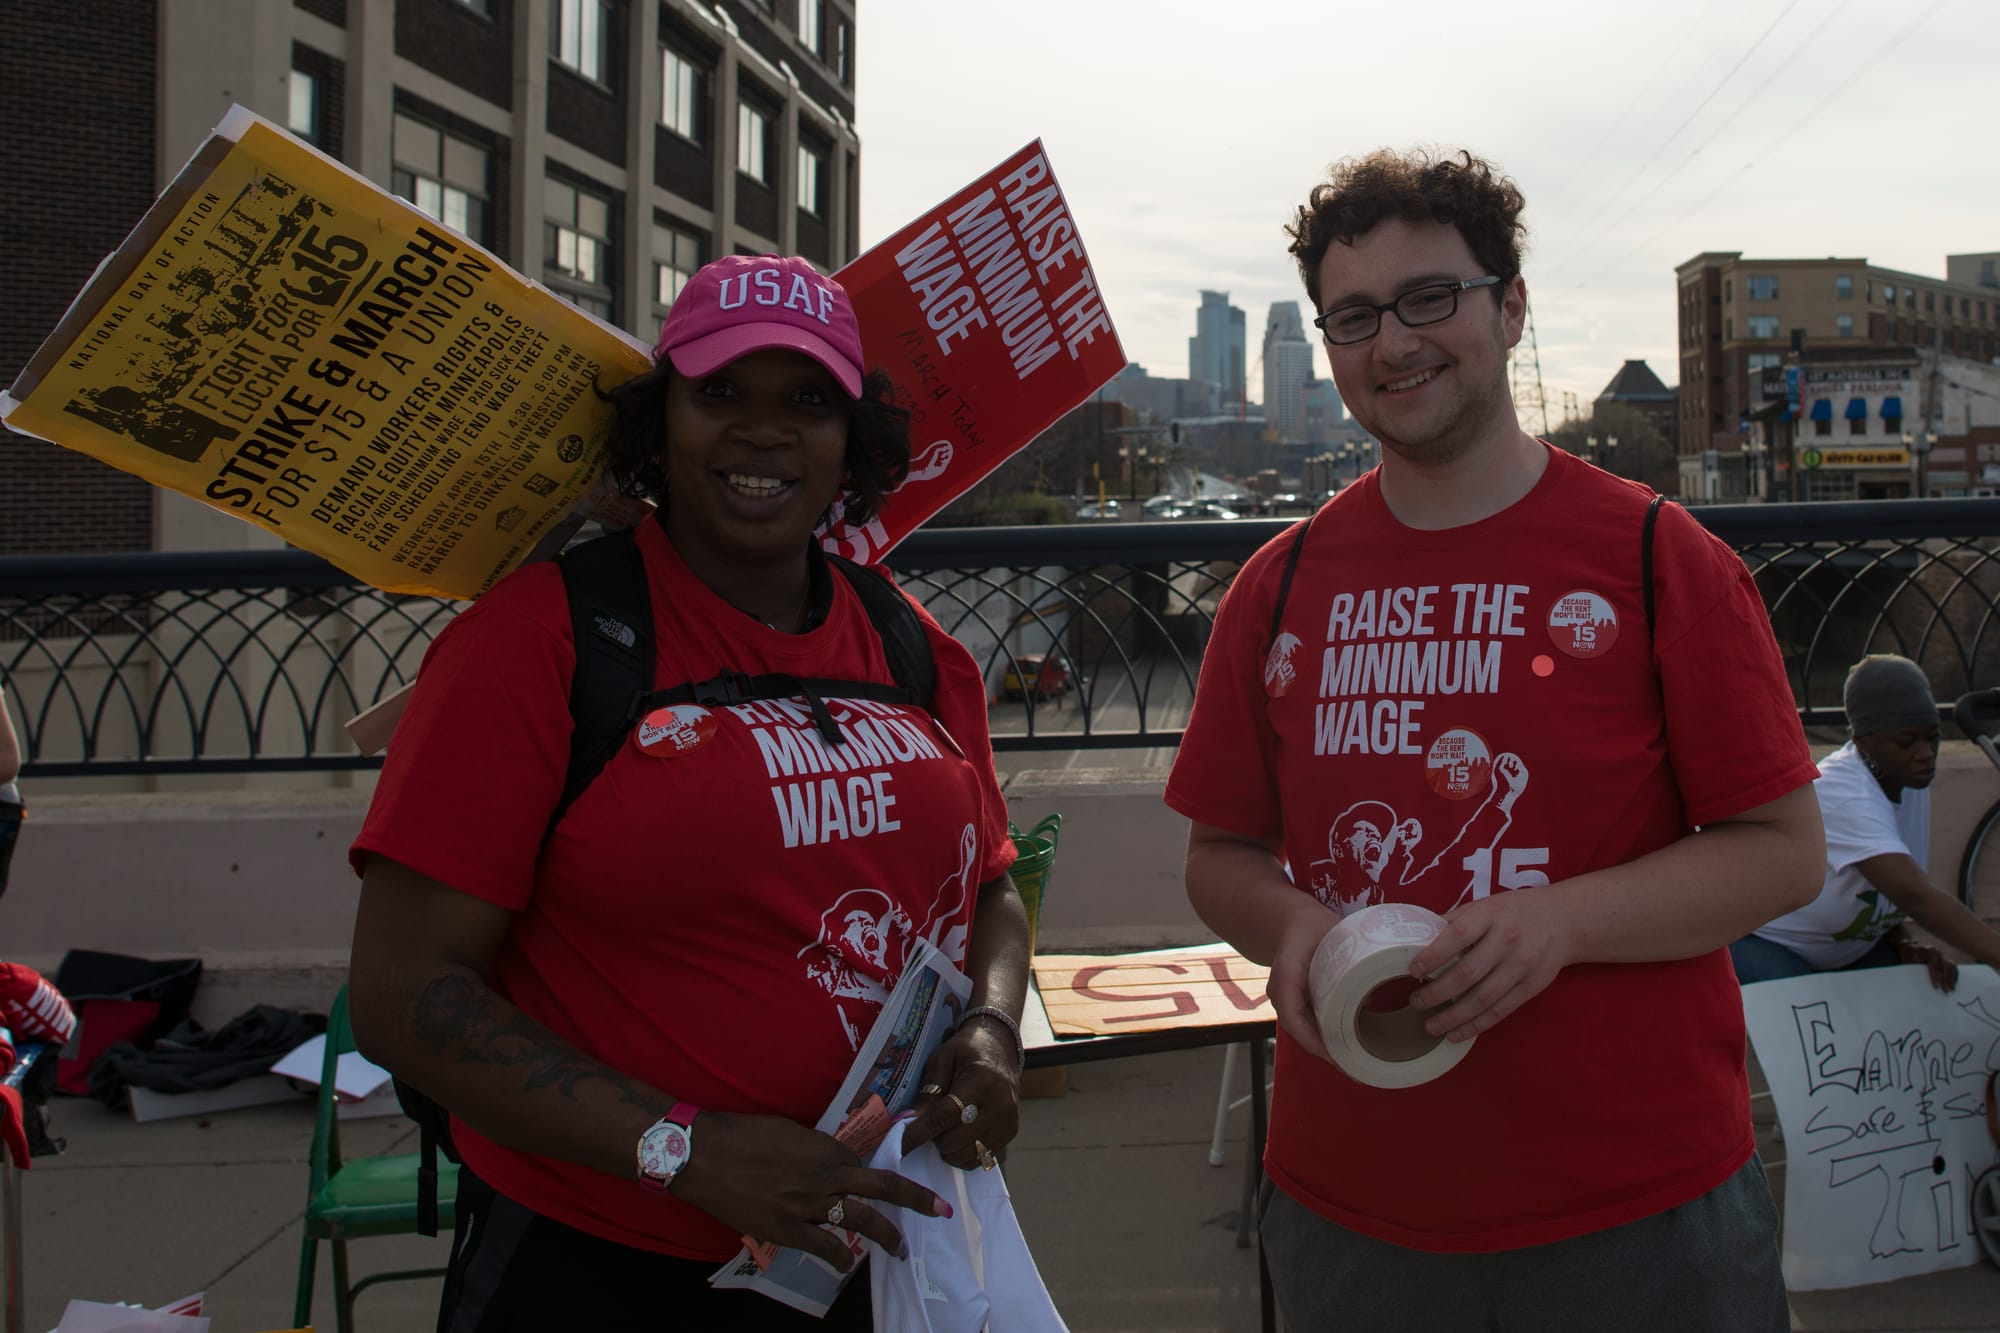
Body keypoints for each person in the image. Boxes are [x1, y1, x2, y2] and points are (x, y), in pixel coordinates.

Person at [1164, 148, 1826, 1330]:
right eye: (1355, 315)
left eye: (1432, 298)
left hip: (1635, 1205)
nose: (1394, 342)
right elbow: (1219, 854)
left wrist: (1560, 923)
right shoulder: (1277, 584)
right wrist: (1298, 928)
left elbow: (1779, 849)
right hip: (1349, 1203)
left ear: (1508, 307)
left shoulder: (1658, 557)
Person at [347, 253, 1029, 1331]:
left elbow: (990, 888)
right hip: (598, 1263)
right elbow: (402, 990)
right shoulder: (537, 642)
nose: (762, 431)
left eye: (807, 401)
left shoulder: (912, 645)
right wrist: (680, 1148)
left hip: (869, 1250)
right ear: (657, 423)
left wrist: (992, 1024)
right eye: (718, 393)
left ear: (850, 443)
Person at [1732, 653, 2000, 992]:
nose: (1925, 753)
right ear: (1861, 741)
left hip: (1847, 951)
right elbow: (1915, 897)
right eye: (1906, 742)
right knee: (1811, 1023)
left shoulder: (1905, 777)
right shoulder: (1847, 794)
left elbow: (1875, 886)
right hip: (1769, 943)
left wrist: (1901, 941)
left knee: (1922, 990)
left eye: (1932, 738)